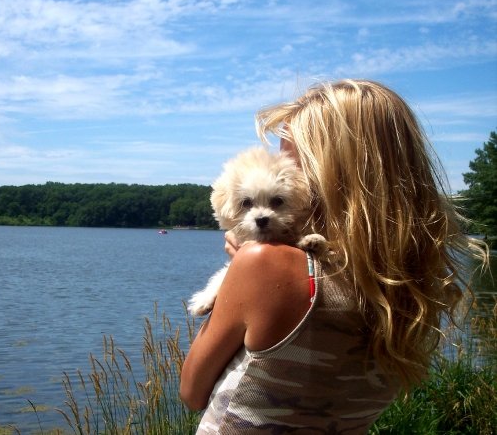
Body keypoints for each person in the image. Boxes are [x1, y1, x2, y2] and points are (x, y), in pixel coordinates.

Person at [179, 79, 488, 434]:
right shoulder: (410, 289)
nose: (282, 170)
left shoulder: (266, 263)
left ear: (332, 174)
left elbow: (191, 391)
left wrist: (244, 268)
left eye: (292, 162)